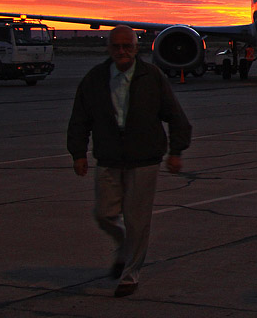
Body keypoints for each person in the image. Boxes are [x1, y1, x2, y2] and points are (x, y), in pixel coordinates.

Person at [67, 25, 192, 297]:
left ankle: (130, 274)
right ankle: (123, 243)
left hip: (144, 159)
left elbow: (175, 115)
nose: (122, 51)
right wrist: (78, 153)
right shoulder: (95, 78)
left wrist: (176, 151)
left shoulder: (152, 76)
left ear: (137, 48)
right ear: (109, 48)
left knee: (138, 220)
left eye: (127, 46)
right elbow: (80, 118)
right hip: (109, 157)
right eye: (116, 46)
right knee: (103, 214)